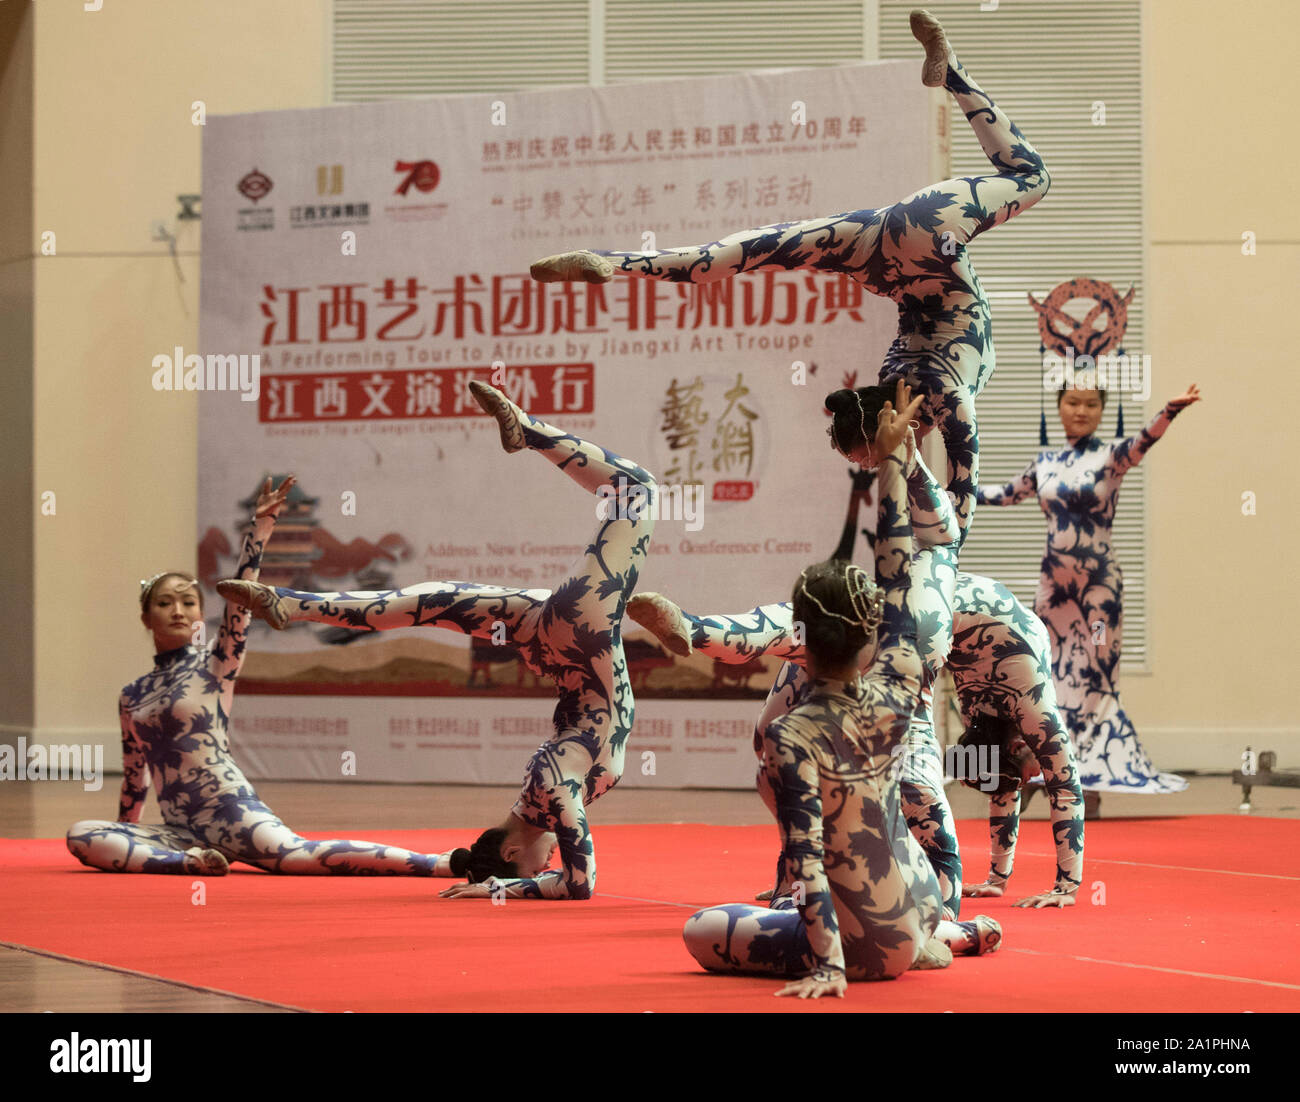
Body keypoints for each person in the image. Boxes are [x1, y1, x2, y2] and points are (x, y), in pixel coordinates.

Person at [538, 9, 1050, 913]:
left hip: (927, 312)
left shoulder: (886, 244)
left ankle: (950, 71)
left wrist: (620, 268)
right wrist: (613, 267)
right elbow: (721, 261)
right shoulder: (900, 266)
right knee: (1025, 194)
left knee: (906, 420)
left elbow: (720, 259)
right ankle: (955, 73)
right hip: (935, 324)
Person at [218, 381, 658, 900]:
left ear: (514, 853)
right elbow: (563, 872)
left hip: (579, 634)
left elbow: (578, 884)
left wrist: (505, 890)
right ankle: (290, 604)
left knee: (636, 491)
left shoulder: (548, 786)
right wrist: (498, 885)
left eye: (539, 864)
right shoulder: (538, 795)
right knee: (427, 603)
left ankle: (530, 433)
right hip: (555, 639)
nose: (551, 861)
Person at [681, 387, 999, 997]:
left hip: (862, 948)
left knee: (702, 928)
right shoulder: (901, 685)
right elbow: (895, 571)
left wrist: (827, 963)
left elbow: (805, 857)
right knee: (909, 805)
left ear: (799, 644)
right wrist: (894, 464)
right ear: (867, 640)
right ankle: (952, 931)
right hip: (920, 910)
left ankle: (703, 629)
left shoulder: (791, 733)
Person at [67, 476, 457, 877]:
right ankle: (189, 864)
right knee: (81, 834)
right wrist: (124, 836)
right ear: (146, 618)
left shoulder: (216, 663)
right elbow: (135, 775)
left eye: (188, 602)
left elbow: (242, 602)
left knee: (299, 857)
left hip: (229, 812)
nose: (178, 611)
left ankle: (438, 863)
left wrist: (260, 531)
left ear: (201, 616)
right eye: (165, 603)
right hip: (179, 831)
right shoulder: (132, 695)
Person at [975, 383, 1201, 795]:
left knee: (1097, 670)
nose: (1081, 411)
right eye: (1073, 402)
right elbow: (1004, 495)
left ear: (1101, 411)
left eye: (1091, 404)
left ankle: (1092, 781)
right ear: (1059, 408)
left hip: (1098, 590)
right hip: (1053, 591)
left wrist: (1170, 411)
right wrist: (952, 490)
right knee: (1045, 671)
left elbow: (1143, 441)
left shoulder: (1112, 457)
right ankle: (1050, 767)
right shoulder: (1044, 462)